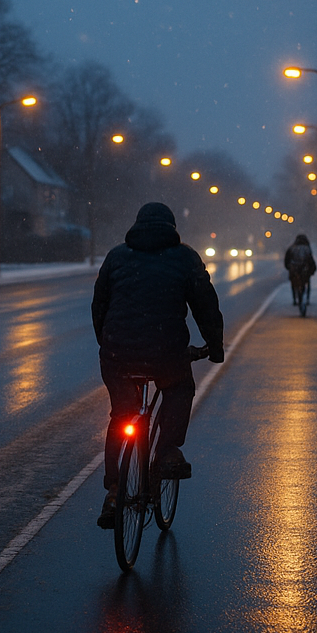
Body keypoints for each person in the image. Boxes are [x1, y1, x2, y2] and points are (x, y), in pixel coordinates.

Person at [91, 202, 224, 528]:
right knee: (179, 388)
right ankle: (166, 451)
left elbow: (99, 305)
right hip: (166, 353)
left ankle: (113, 490)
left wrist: (107, 344)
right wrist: (215, 347)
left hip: (117, 356)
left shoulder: (116, 256)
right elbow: (205, 306)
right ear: (172, 227)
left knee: (122, 415)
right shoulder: (185, 257)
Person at [284, 233, 316, 306]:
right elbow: (310, 260)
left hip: (294, 270)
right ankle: (307, 299)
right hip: (305, 270)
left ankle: (295, 299)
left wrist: (289, 267)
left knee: (294, 284)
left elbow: (287, 259)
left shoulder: (292, 248)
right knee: (306, 283)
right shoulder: (307, 248)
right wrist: (312, 270)